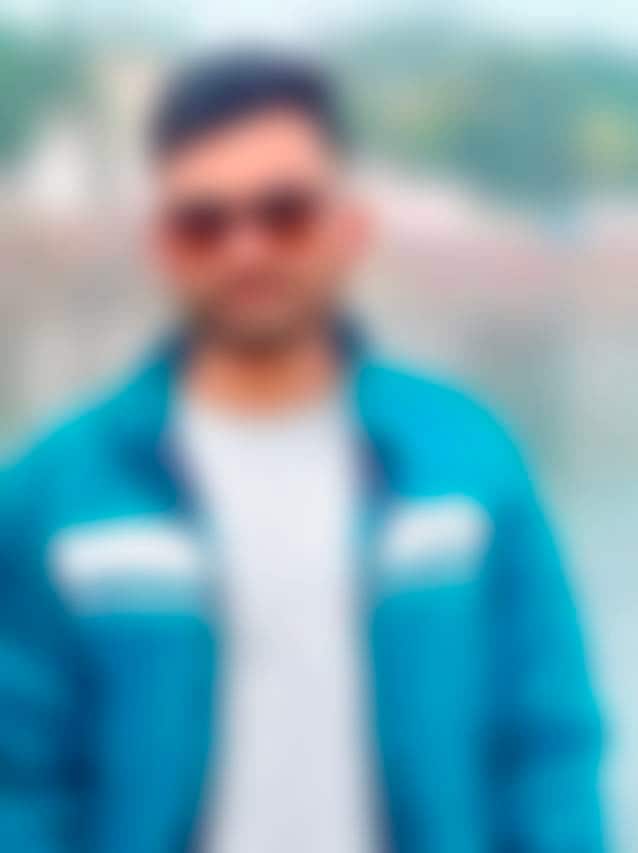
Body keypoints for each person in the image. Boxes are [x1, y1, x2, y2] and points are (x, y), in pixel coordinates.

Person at [0, 52, 606, 852]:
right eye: (204, 222)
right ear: (162, 244)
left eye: (283, 213)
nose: (246, 249)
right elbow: (21, 780)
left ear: (348, 226)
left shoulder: (464, 464)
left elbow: (544, 749)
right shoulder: (57, 491)